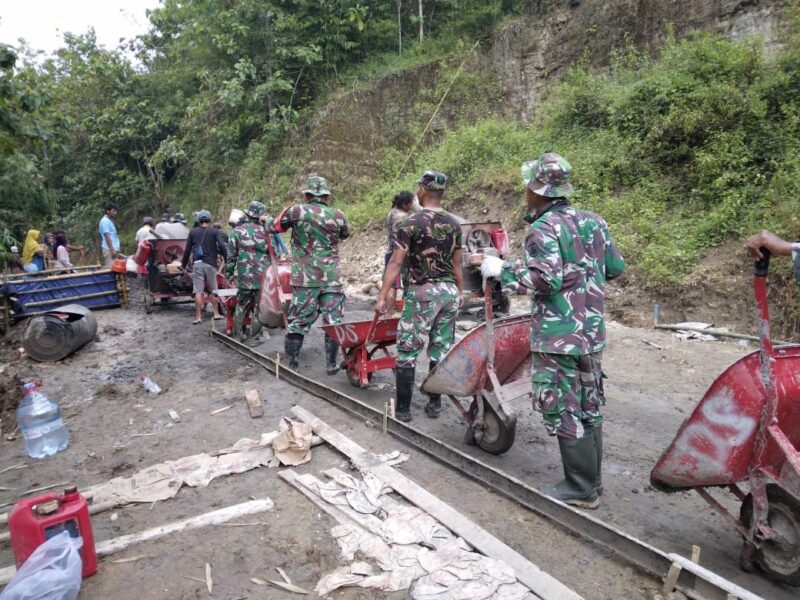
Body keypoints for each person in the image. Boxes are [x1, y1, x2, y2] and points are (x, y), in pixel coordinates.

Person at [482, 152, 624, 509]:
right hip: (591, 333)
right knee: (589, 404)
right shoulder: (595, 222)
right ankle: (593, 481)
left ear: (538, 189)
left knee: (563, 405)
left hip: (558, 336)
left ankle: (579, 486)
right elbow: (615, 268)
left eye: (528, 187)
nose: (525, 193)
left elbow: (544, 279)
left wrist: (502, 270)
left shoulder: (542, 228)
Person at [376, 171, 464, 422]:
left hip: (422, 292)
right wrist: (460, 292)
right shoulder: (454, 224)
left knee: (407, 350)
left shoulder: (410, 223)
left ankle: (403, 411)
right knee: (440, 348)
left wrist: (383, 295)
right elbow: (458, 264)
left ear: (423, 191)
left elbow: (395, 262)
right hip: (448, 293)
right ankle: (434, 405)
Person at [262, 176, 350, 372]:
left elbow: (274, 227)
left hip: (306, 278)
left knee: (299, 321)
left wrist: (265, 219)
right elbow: (344, 234)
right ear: (327, 196)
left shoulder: (296, 211)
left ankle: (293, 365)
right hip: (332, 278)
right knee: (333, 321)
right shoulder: (338, 214)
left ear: (308, 195)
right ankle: (331, 364)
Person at [227, 201, 271, 345]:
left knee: (241, 305)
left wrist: (229, 275)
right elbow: (273, 254)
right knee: (258, 307)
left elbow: (231, 257)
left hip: (244, 275)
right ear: (260, 216)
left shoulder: (236, 232)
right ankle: (255, 338)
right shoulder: (266, 232)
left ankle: (237, 336)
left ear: (247, 214)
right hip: (262, 276)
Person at [180, 209, 227, 324]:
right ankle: (216, 314)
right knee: (214, 290)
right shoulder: (214, 232)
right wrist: (226, 257)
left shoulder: (193, 232)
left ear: (199, 220)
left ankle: (198, 317)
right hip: (211, 264)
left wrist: (183, 265)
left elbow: (187, 250)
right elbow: (222, 245)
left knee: (198, 291)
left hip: (197, 264)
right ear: (210, 220)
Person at [382, 191, 415, 312]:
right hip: (401, 254)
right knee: (405, 284)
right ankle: (402, 312)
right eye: (411, 203)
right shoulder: (404, 217)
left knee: (390, 283)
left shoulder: (391, 213)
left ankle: (388, 313)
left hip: (390, 252)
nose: (412, 206)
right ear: (406, 204)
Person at [99, 203, 120, 268]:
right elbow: (107, 235)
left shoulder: (109, 221)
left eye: (116, 211)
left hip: (112, 248)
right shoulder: (105, 221)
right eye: (113, 211)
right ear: (108, 211)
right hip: (109, 249)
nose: (115, 213)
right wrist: (112, 249)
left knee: (115, 268)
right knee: (111, 268)